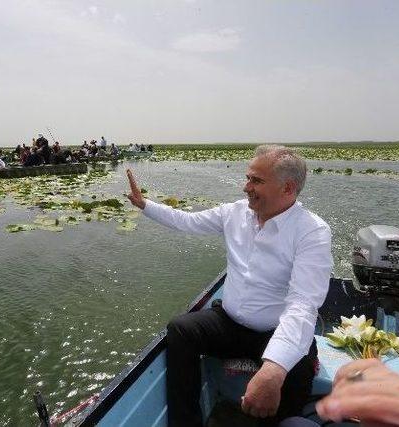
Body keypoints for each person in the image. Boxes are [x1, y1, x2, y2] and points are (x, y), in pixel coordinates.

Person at [126, 145, 333, 426]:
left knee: (294, 371)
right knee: (181, 330)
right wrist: (145, 205)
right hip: (230, 323)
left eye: (256, 181)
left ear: (288, 188)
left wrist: (274, 368)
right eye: (248, 178)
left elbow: (303, 304)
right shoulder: (234, 213)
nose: (245, 187)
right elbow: (187, 221)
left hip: (276, 329)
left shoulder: (311, 231)